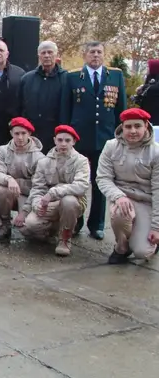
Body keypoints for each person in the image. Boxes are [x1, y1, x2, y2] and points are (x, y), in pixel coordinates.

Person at [61, 41, 126, 240]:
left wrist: (120, 136)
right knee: (77, 182)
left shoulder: (115, 76)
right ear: (85, 55)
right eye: (92, 52)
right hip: (79, 139)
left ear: (103, 54)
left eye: (99, 52)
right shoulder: (72, 77)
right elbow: (66, 108)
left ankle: (97, 224)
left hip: (105, 139)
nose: (95, 55)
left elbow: (120, 109)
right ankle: (76, 221)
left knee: (101, 182)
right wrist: (67, 136)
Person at [96, 108, 159, 264]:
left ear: (146, 126)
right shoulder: (111, 146)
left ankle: (142, 240)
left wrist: (156, 227)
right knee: (120, 212)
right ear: (122, 128)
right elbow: (103, 178)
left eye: (137, 126)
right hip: (122, 198)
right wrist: (118, 196)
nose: (133, 131)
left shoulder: (156, 152)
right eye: (128, 126)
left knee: (142, 252)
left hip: (146, 201)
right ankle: (122, 247)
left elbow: (158, 190)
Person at [20, 125, 90, 256]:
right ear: (54, 140)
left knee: (68, 201)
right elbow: (37, 188)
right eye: (60, 140)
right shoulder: (44, 162)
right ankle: (54, 230)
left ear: (74, 141)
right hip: (49, 203)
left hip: (74, 202)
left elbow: (81, 186)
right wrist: (36, 205)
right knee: (29, 225)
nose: (63, 144)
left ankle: (65, 239)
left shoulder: (81, 161)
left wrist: (53, 193)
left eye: (68, 140)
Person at [0, 117, 45, 240]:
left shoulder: (39, 157)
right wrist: (9, 179)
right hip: (10, 192)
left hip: (28, 195)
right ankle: (5, 224)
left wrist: (24, 212)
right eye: (16, 133)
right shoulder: (3, 150)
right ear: (11, 133)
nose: (20, 137)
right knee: (1, 190)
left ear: (30, 134)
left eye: (23, 133)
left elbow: (38, 187)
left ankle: (48, 231)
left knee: (28, 230)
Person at [18, 41, 67, 152]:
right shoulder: (27, 79)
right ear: (38, 56)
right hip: (32, 134)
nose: (46, 56)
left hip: (56, 134)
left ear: (56, 55)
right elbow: (20, 106)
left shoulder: (66, 79)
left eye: (50, 52)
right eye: (43, 53)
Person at [135, 59, 159, 123]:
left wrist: (143, 87)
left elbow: (155, 88)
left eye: (148, 67)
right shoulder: (149, 77)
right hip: (146, 110)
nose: (147, 69)